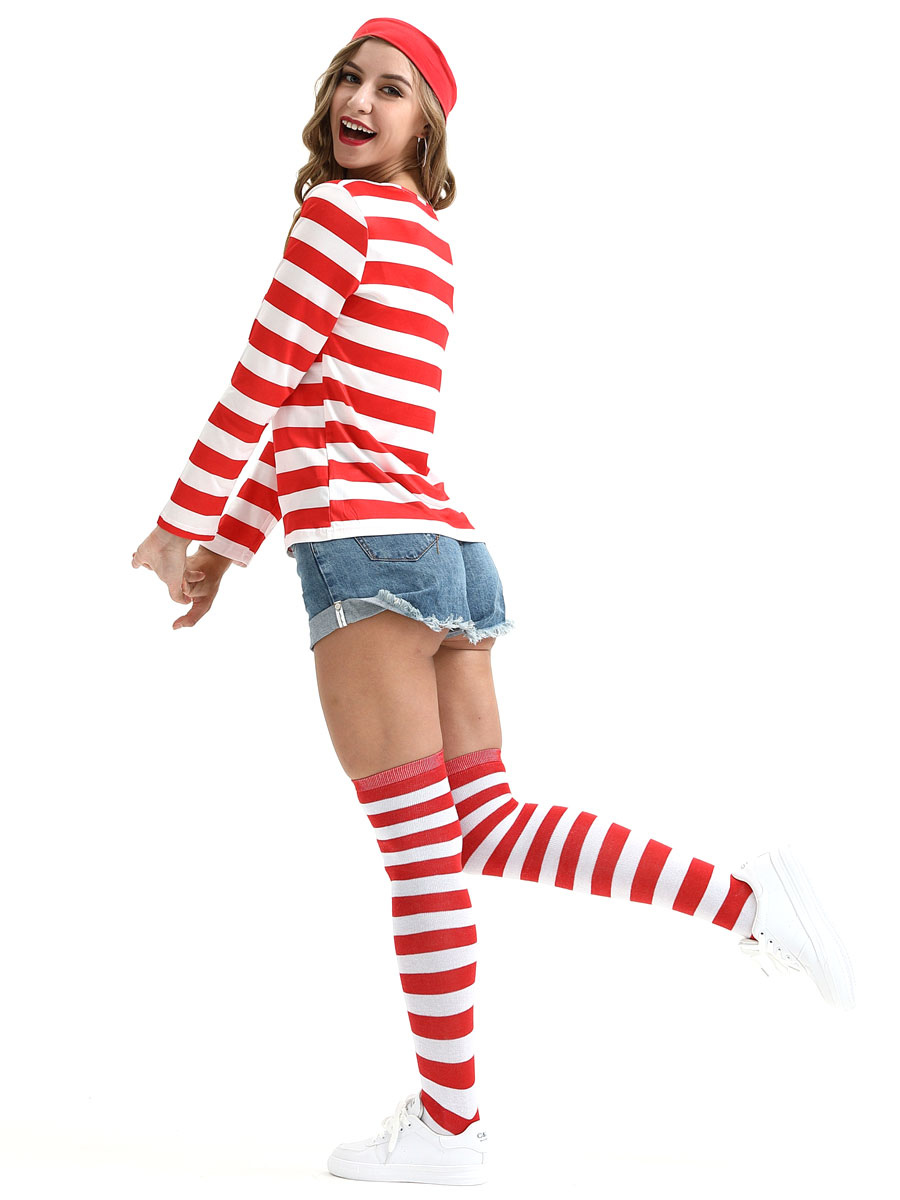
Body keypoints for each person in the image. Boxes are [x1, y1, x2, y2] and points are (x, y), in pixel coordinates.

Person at [131, 16, 855, 1187]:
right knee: (486, 827)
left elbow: (258, 384)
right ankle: (752, 903)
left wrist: (180, 526)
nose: (360, 100)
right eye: (351, 79)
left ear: (427, 123)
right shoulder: (424, 238)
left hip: (366, 559)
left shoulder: (331, 218)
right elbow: (329, 404)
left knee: (422, 855)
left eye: (393, 89)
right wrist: (235, 540)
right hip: (448, 552)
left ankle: (450, 1127)